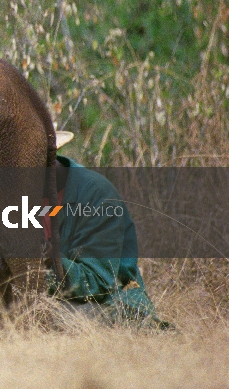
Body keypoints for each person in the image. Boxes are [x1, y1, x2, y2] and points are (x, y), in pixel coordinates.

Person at [44, 131, 168, 328]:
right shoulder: (17, 195)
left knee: (48, 320)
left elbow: (97, 282)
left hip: (107, 303)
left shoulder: (96, 195)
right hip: (48, 303)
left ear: (50, 156)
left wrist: (48, 258)